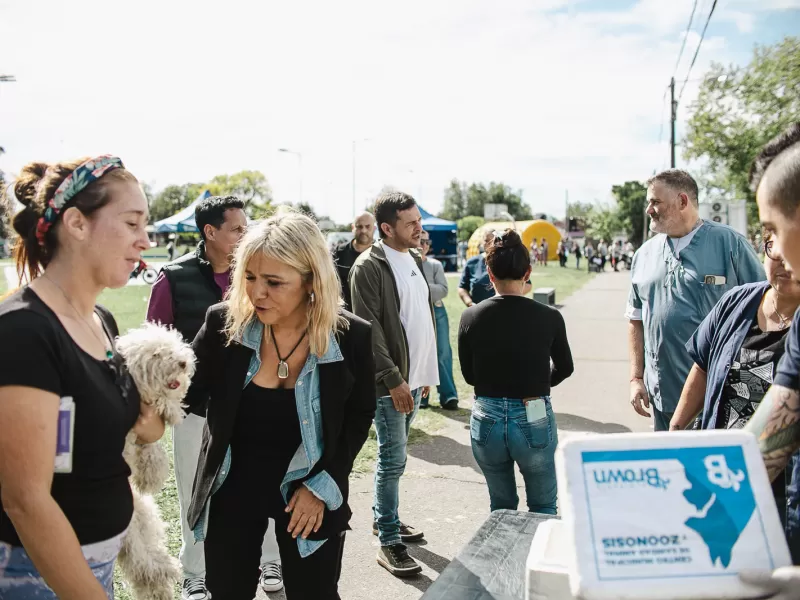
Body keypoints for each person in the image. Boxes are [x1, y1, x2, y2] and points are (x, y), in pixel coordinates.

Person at [183, 211, 375, 600]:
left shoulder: (351, 335)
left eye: (274, 282)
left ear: (310, 282)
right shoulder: (224, 324)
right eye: (250, 278)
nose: (257, 294)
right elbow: (184, 392)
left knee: (315, 594)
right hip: (232, 491)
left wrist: (323, 485)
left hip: (309, 494)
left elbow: (357, 418)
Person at [0, 156, 164, 599]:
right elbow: (25, 501)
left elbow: (123, 424)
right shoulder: (23, 330)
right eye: (131, 224)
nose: (145, 240)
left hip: (97, 563)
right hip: (34, 573)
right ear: (76, 223)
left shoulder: (101, 320)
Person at [147, 196, 284, 599]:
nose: (246, 234)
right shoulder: (172, 278)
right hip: (197, 412)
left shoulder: (263, 272)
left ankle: (271, 560)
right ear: (210, 232)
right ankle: (196, 572)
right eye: (238, 228)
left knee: (268, 485)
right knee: (196, 491)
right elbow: (156, 346)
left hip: (257, 407)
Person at [670, 236, 800, 561]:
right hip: (720, 468)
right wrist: (675, 429)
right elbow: (702, 366)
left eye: (793, 248)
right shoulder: (738, 300)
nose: (781, 259)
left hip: (777, 482)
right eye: (773, 246)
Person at [626, 169, 765, 431]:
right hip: (663, 395)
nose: (649, 210)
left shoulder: (730, 244)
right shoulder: (643, 255)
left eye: (655, 202)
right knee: (671, 466)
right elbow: (635, 318)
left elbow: (764, 308)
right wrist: (636, 377)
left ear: (682, 201)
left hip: (718, 395)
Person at [349, 191, 438, 577]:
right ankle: (388, 541)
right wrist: (394, 379)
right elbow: (370, 331)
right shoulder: (368, 267)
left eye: (418, 219)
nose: (420, 227)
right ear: (386, 228)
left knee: (395, 461)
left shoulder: (414, 258)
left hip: (414, 379)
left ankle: (386, 517)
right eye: (411, 222)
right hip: (391, 383)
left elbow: (417, 317)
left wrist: (423, 375)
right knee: (392, 459)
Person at [458, 229, 573, 514]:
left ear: (489, 273)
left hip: (487, 416)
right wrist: (538, 381)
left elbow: (470, 376)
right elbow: (566, 367)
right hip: (532, 411)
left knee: (502, 506)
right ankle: (537, 559)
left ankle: (503, 559)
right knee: (543, 505)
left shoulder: (471, 316)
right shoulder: (550, 316)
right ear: (528, 272)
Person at [419, 230, 459, 410]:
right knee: (420, 354)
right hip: (417, 312)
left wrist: (419, 287)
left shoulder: (435, 265)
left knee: (443, 352)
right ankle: (422, 398)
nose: (422, 245)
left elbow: (443, 289)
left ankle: (448, 395)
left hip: (437, 310)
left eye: (426, 242)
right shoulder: (406, 264)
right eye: (419, 240)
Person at [460, 230, 532, 306]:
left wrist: (509, 297)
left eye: (493, 241)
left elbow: (528, 284)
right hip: (479, 310)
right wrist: (470, 304)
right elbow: (462, 287)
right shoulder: (472, 262)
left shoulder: (508, 260)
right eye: (487, 241)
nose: (490, 244)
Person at [332, 211, 376, 311]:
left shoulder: (382, 254)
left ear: (374, 228)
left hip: (373, 315)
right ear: (353, 228)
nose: (364, 230)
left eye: (368, 226)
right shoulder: (338, 253)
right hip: (345, 315)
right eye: (359, 226)